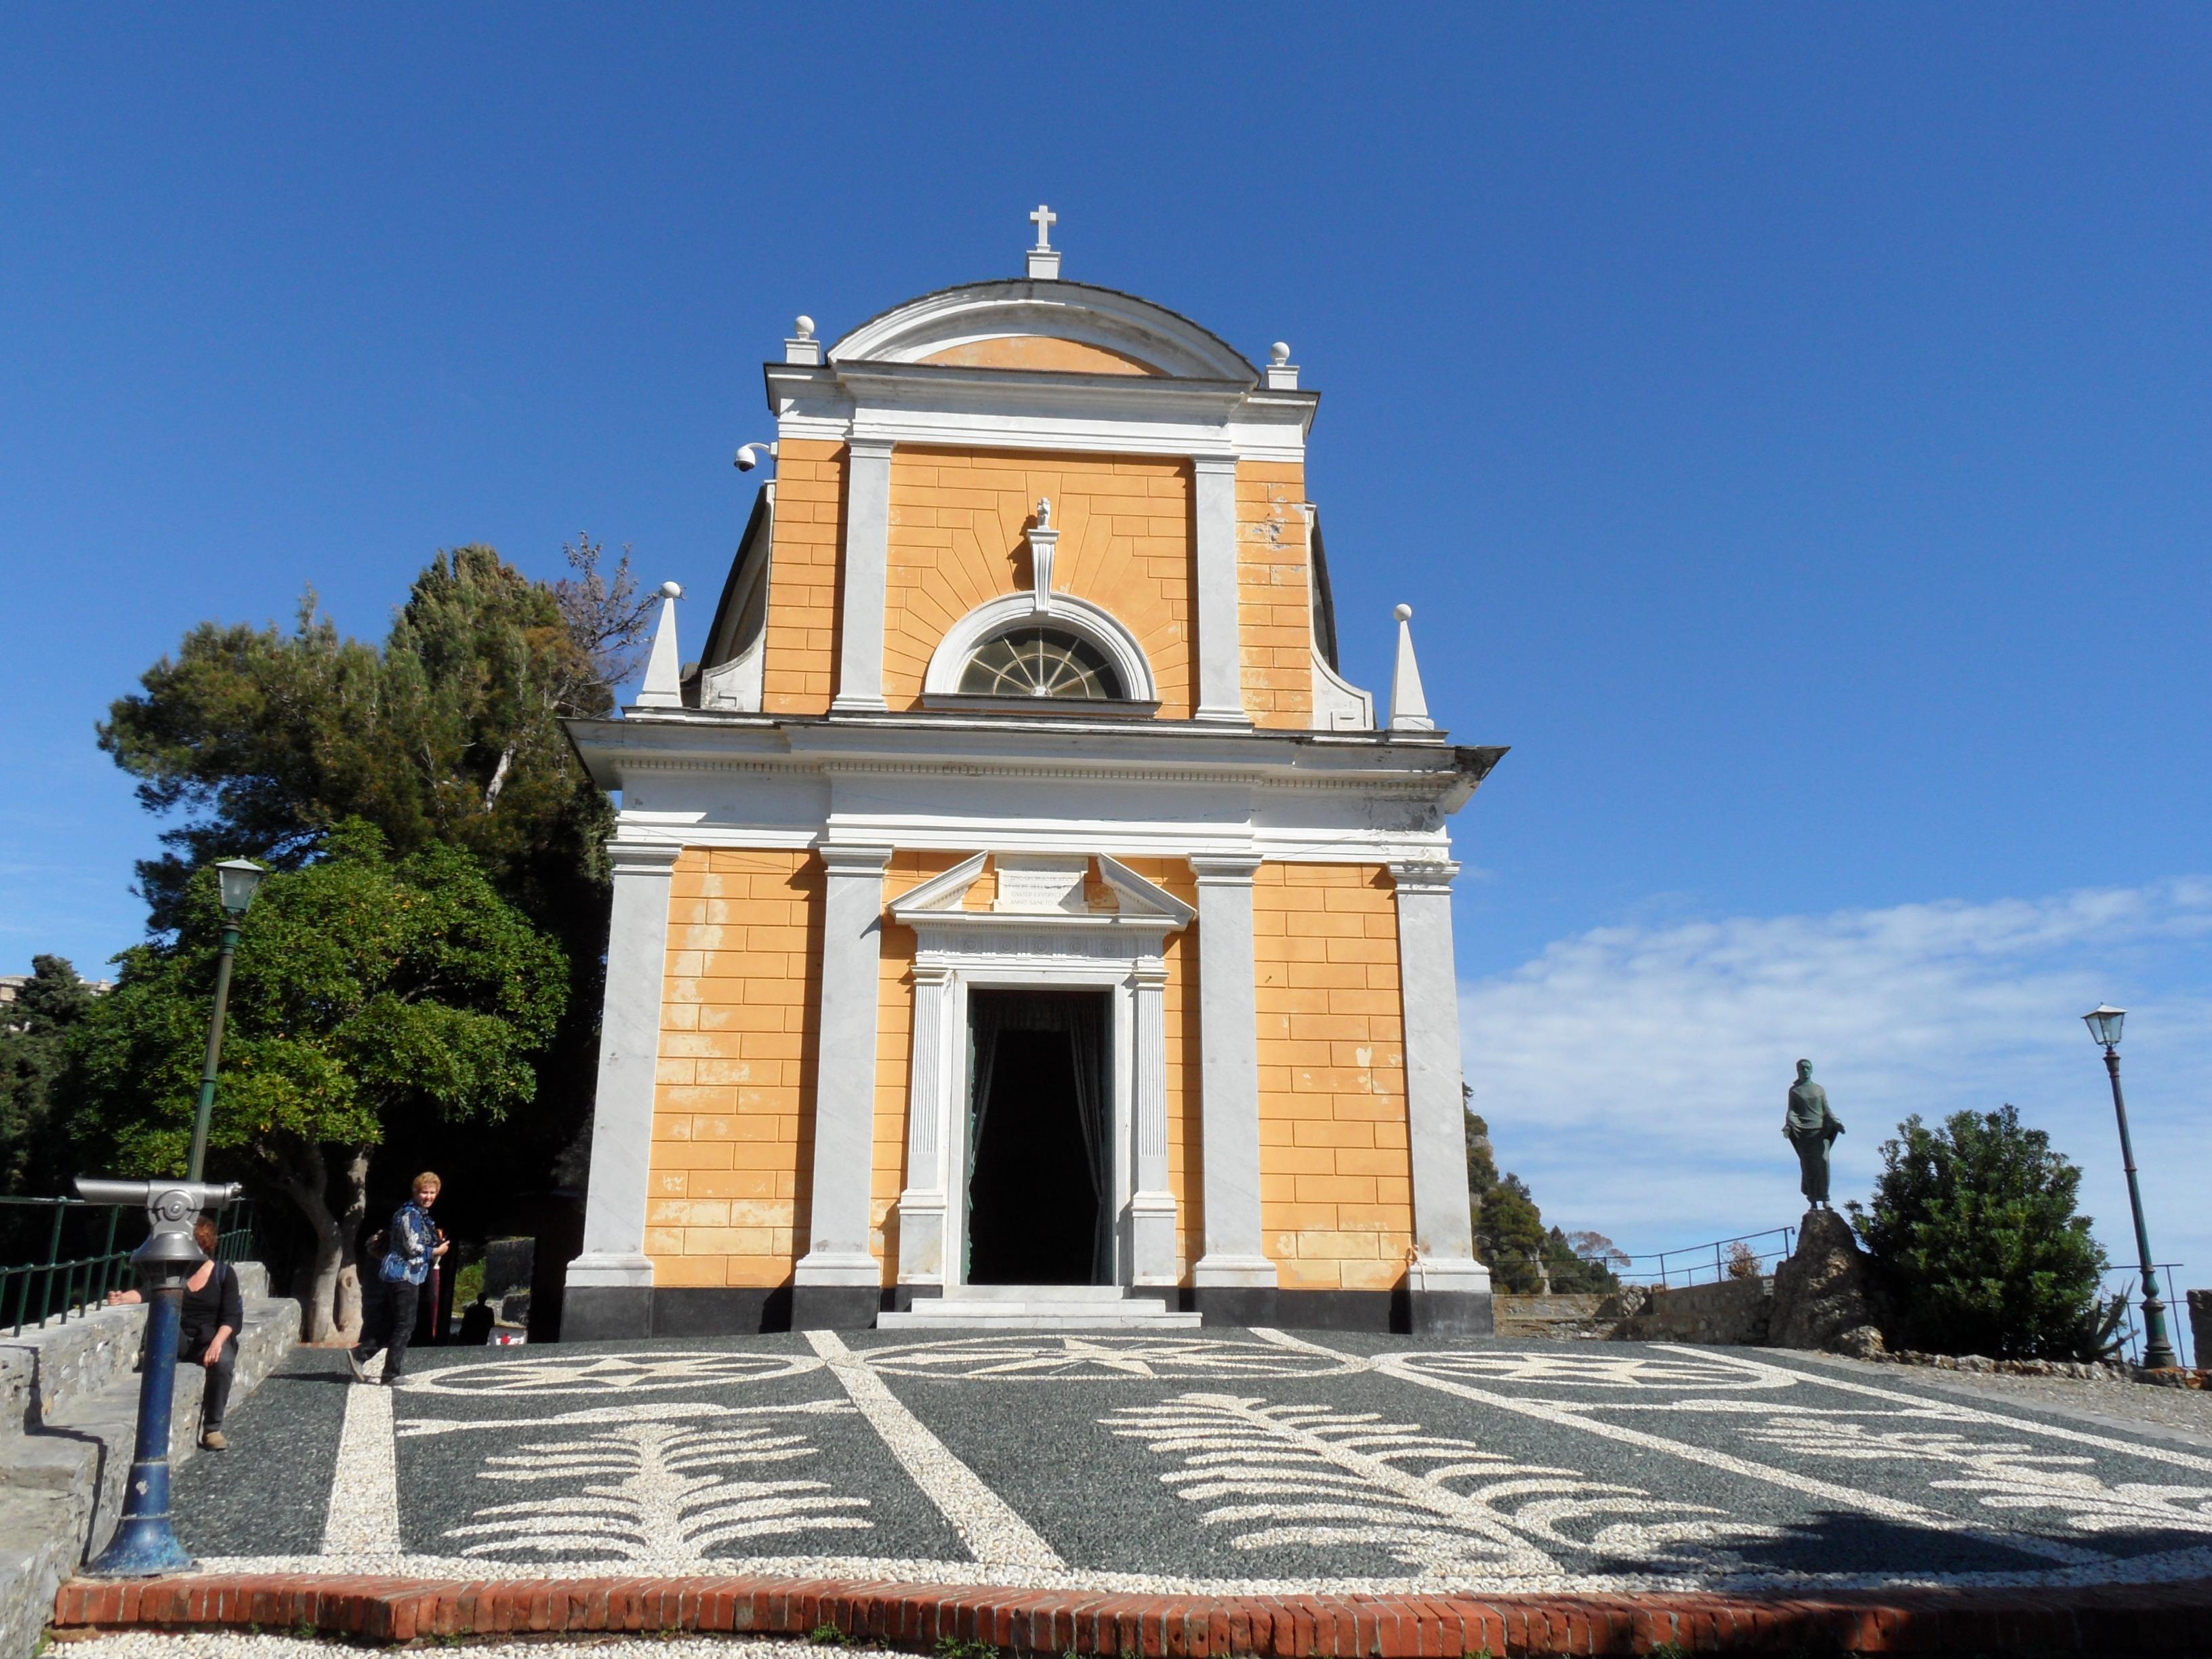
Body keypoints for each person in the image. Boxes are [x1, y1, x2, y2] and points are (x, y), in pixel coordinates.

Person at [108, 1214, 243, 1450]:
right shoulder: (175, 1271)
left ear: (203, 1245)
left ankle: (212, 1429)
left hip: (211, 1337)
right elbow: (147, 1293)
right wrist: (122, 1299)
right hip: (179, 1335)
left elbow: (231, 1317)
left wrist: (217, 1344)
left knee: (223, 1365)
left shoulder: (224, 1274)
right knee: (157, 1356)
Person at [348, 1171, 449, 1385]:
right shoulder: (409, 1215)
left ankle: (362, 1354)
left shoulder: (421, 1215)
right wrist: (436, 1252)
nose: (428, 1197)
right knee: (405, 1324)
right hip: (402, 1274)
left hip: (406, 1274)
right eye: (424, 1192)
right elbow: (413, 1248)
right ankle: (390, 1373)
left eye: (432, 1193)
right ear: (415, 1192)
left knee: (394, 1323)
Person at [1783, 1058, 1846, 1208]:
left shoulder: (1819, 1089)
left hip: (1821, 1132)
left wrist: (1835, 1121)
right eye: (1801, 1068)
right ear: (1797, 1071)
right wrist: (1789, 1125)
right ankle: (1813, 1201)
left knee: (1823, 1163)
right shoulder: (1794, 1091)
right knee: (1808, 1167)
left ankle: (1825, 1198)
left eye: (1807, 1068)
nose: (1804, 1070)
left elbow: (1826, 1110)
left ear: (1811, 1070)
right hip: (1804, 1133)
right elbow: (1792, 1111)